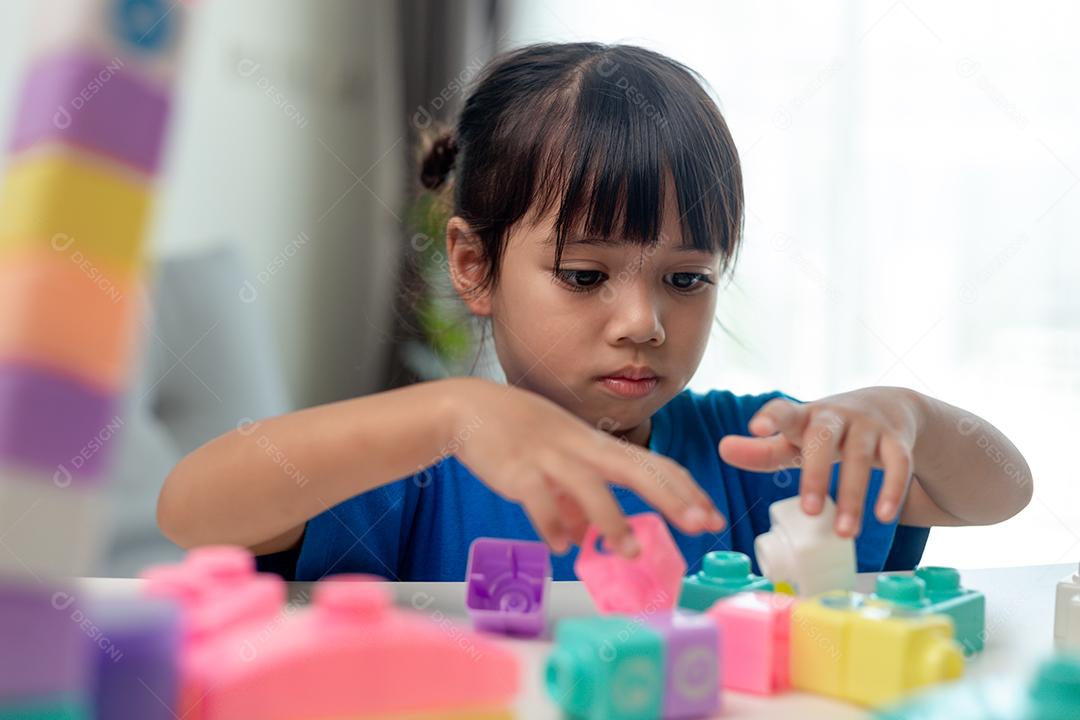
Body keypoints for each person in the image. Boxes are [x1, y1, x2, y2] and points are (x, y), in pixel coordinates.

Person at [157, 42, 1032, 581]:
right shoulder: (410, 469)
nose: (642, 322)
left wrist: (906, 413)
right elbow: (188, 508)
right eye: (584, 275)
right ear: (474, 264)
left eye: (687, 280)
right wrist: (449, 412)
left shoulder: (751, 454)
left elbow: (1003, 490)